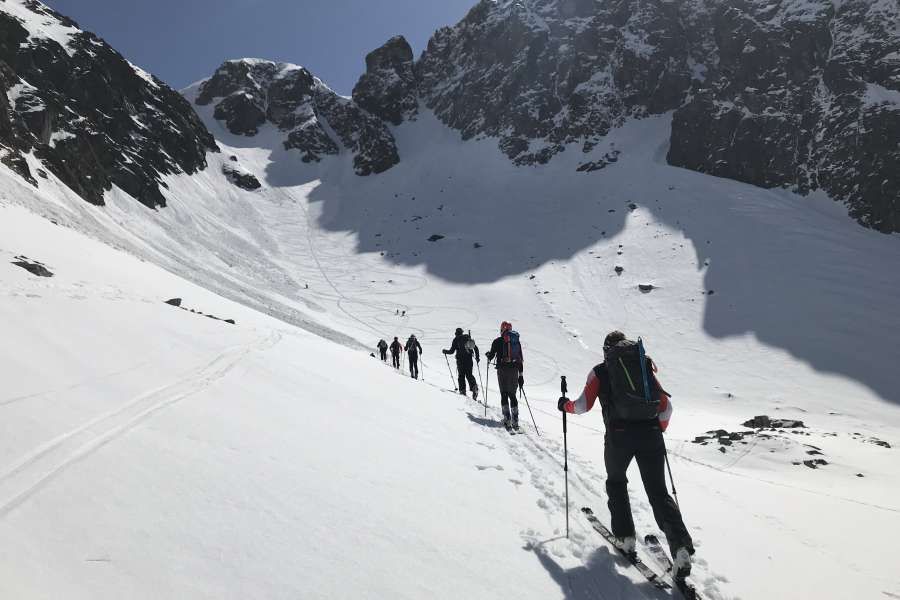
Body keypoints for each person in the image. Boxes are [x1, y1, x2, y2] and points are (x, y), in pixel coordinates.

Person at [558, 330, 694, 579]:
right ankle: (681, 547)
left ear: (606, 350)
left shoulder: (600, 371)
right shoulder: (643, 368)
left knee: (617, 482)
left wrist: (564, 406)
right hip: (651, 435)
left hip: (619, 436)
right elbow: (666, 407)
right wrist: (656, 428)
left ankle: (625, 538)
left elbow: (582, 406)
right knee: (658, 492)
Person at [485, 321, 523, 429]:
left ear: (502, 329)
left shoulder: (497, 341)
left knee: (504, 394)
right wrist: (521, 376)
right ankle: (515, 420)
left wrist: (488, 355)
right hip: (514, 371)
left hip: (502, 371)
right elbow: (520, 359)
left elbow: (491, 356)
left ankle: (507, 419)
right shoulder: (516, 342)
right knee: (513, 395)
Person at [443, 327, 479, 399]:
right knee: (469, 375)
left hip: (460, 361)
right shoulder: (467, 338)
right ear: (462, 332)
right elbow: (475, 348)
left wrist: (445, 351)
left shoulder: (456, 340)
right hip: (469, 360)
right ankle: (474, 387)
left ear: (456, 333)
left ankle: (462, 391)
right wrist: (477, 358)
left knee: (461, 376)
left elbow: (451, 351)